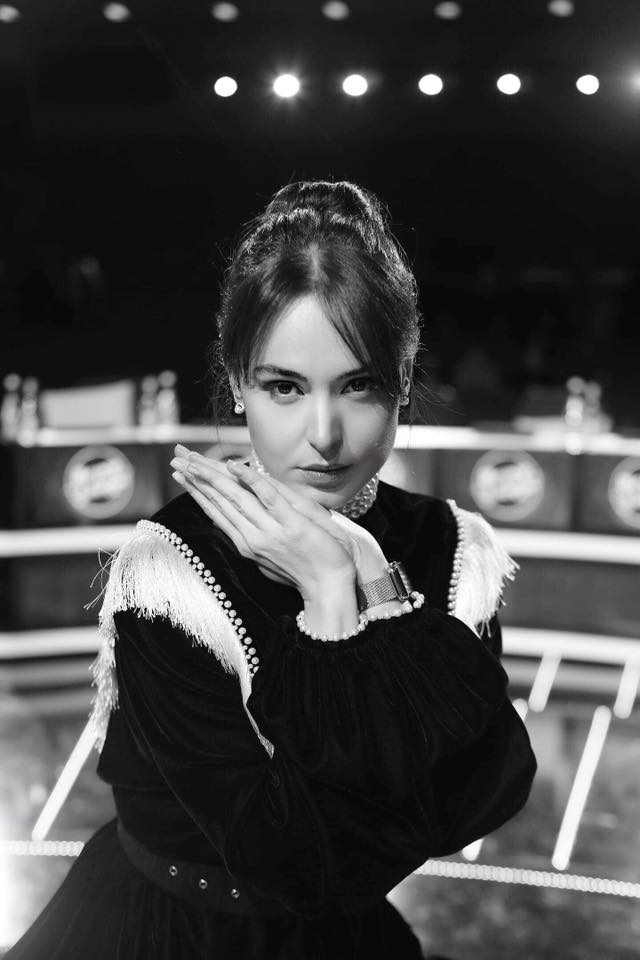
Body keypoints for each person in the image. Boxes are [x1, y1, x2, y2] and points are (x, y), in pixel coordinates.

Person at [6, 180, 536, 960]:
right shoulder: (169, 573)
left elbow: (490, 790)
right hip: (170, 934)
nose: (323, 435)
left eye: (358, 385)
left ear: (403, 380)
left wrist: (372, 583)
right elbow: (297, 863)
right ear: (236, 382)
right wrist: (327, 597)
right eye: (284, 387)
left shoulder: (452, 544)